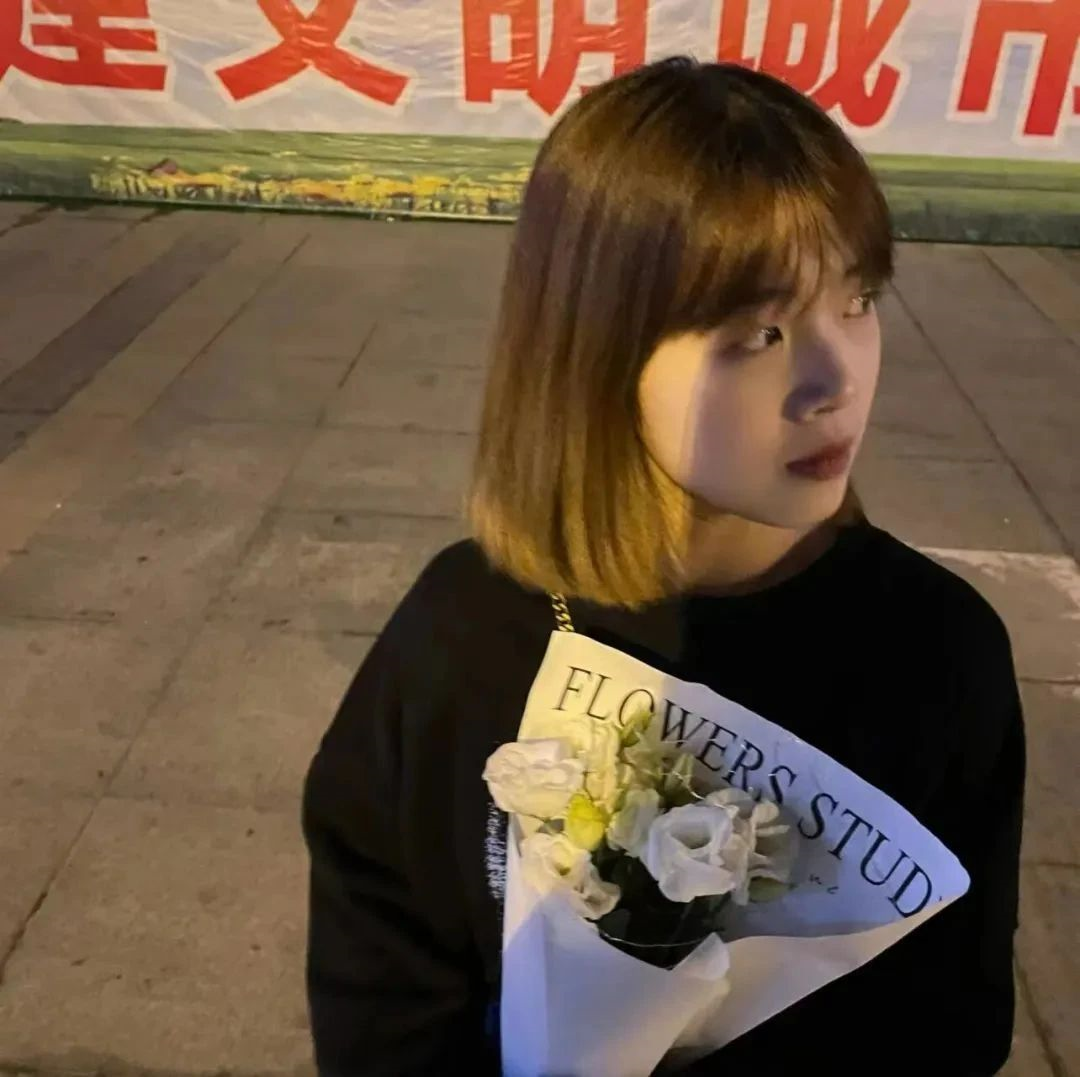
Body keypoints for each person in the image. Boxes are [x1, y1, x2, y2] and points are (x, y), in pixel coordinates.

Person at [301, 57, 1024, 1076]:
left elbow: (952, 1020)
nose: (835, 379)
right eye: (761, 331)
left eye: (858, 299)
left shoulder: (937, 650)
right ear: (595, 350)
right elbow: (380, 982)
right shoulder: (461, 636)